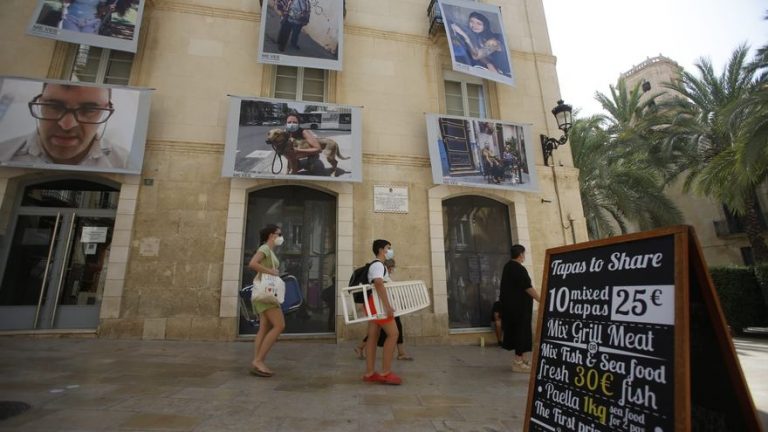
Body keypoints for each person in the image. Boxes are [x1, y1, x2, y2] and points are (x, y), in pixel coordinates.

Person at [0, 83, 127, 168]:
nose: (67, 125)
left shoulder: (125, 162)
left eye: (88, 110)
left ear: (106, 110)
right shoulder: (3, 153)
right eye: (54, 106)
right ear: (40, 103)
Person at [354, 259, 413, 361]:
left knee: (384, 329)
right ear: (389, 267)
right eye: (392, 268)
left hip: (386, 307)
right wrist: (388, 306)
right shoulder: (382, 276)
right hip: (383, 308)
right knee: (381, 331)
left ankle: (401, 352)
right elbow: (381, 288)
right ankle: (361, 348)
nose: (392, 270)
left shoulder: (384, 276)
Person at [361, 239, 402, 385]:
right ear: (380, 250)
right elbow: (378, 283)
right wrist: (387, 306)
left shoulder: (375, 265)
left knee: (373, 336)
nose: (390, 250)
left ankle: (370, 373)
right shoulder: (378, 265)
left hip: (373, 303)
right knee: (393, 334)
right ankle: (386, 372)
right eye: (388, 248)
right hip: (378, 305)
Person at [247, 224, 285, 377]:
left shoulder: (269, 250)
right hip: (267, 295)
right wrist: (271, 272)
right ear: (271, 235)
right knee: (279, 325)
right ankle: (258, 360)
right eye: (279, 234)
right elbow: (252, 264)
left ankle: (257, 362)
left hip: (265, 293)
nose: (281, 237)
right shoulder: (265, 249)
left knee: (264, 328)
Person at [499, 244, 540, 373]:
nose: (524, 256)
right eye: (524, 254)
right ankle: (518, 362)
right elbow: (527, 287)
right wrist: (541, 299)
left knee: (522, 333)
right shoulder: (518, 268)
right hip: (519, 309)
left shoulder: (508, 267)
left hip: (512, 308)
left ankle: (524, 360)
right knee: (521, 333)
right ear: (521, 254)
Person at [449, 11, 510, 77]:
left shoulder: (493, 41)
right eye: (471, 21)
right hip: (496, 72)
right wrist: (489, 64)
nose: (474, 26)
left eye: (479, 23)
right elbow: (482, 56)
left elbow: (476, 56)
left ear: (485, 26)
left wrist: (465, 36)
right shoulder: (478, 38)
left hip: (507, 74)